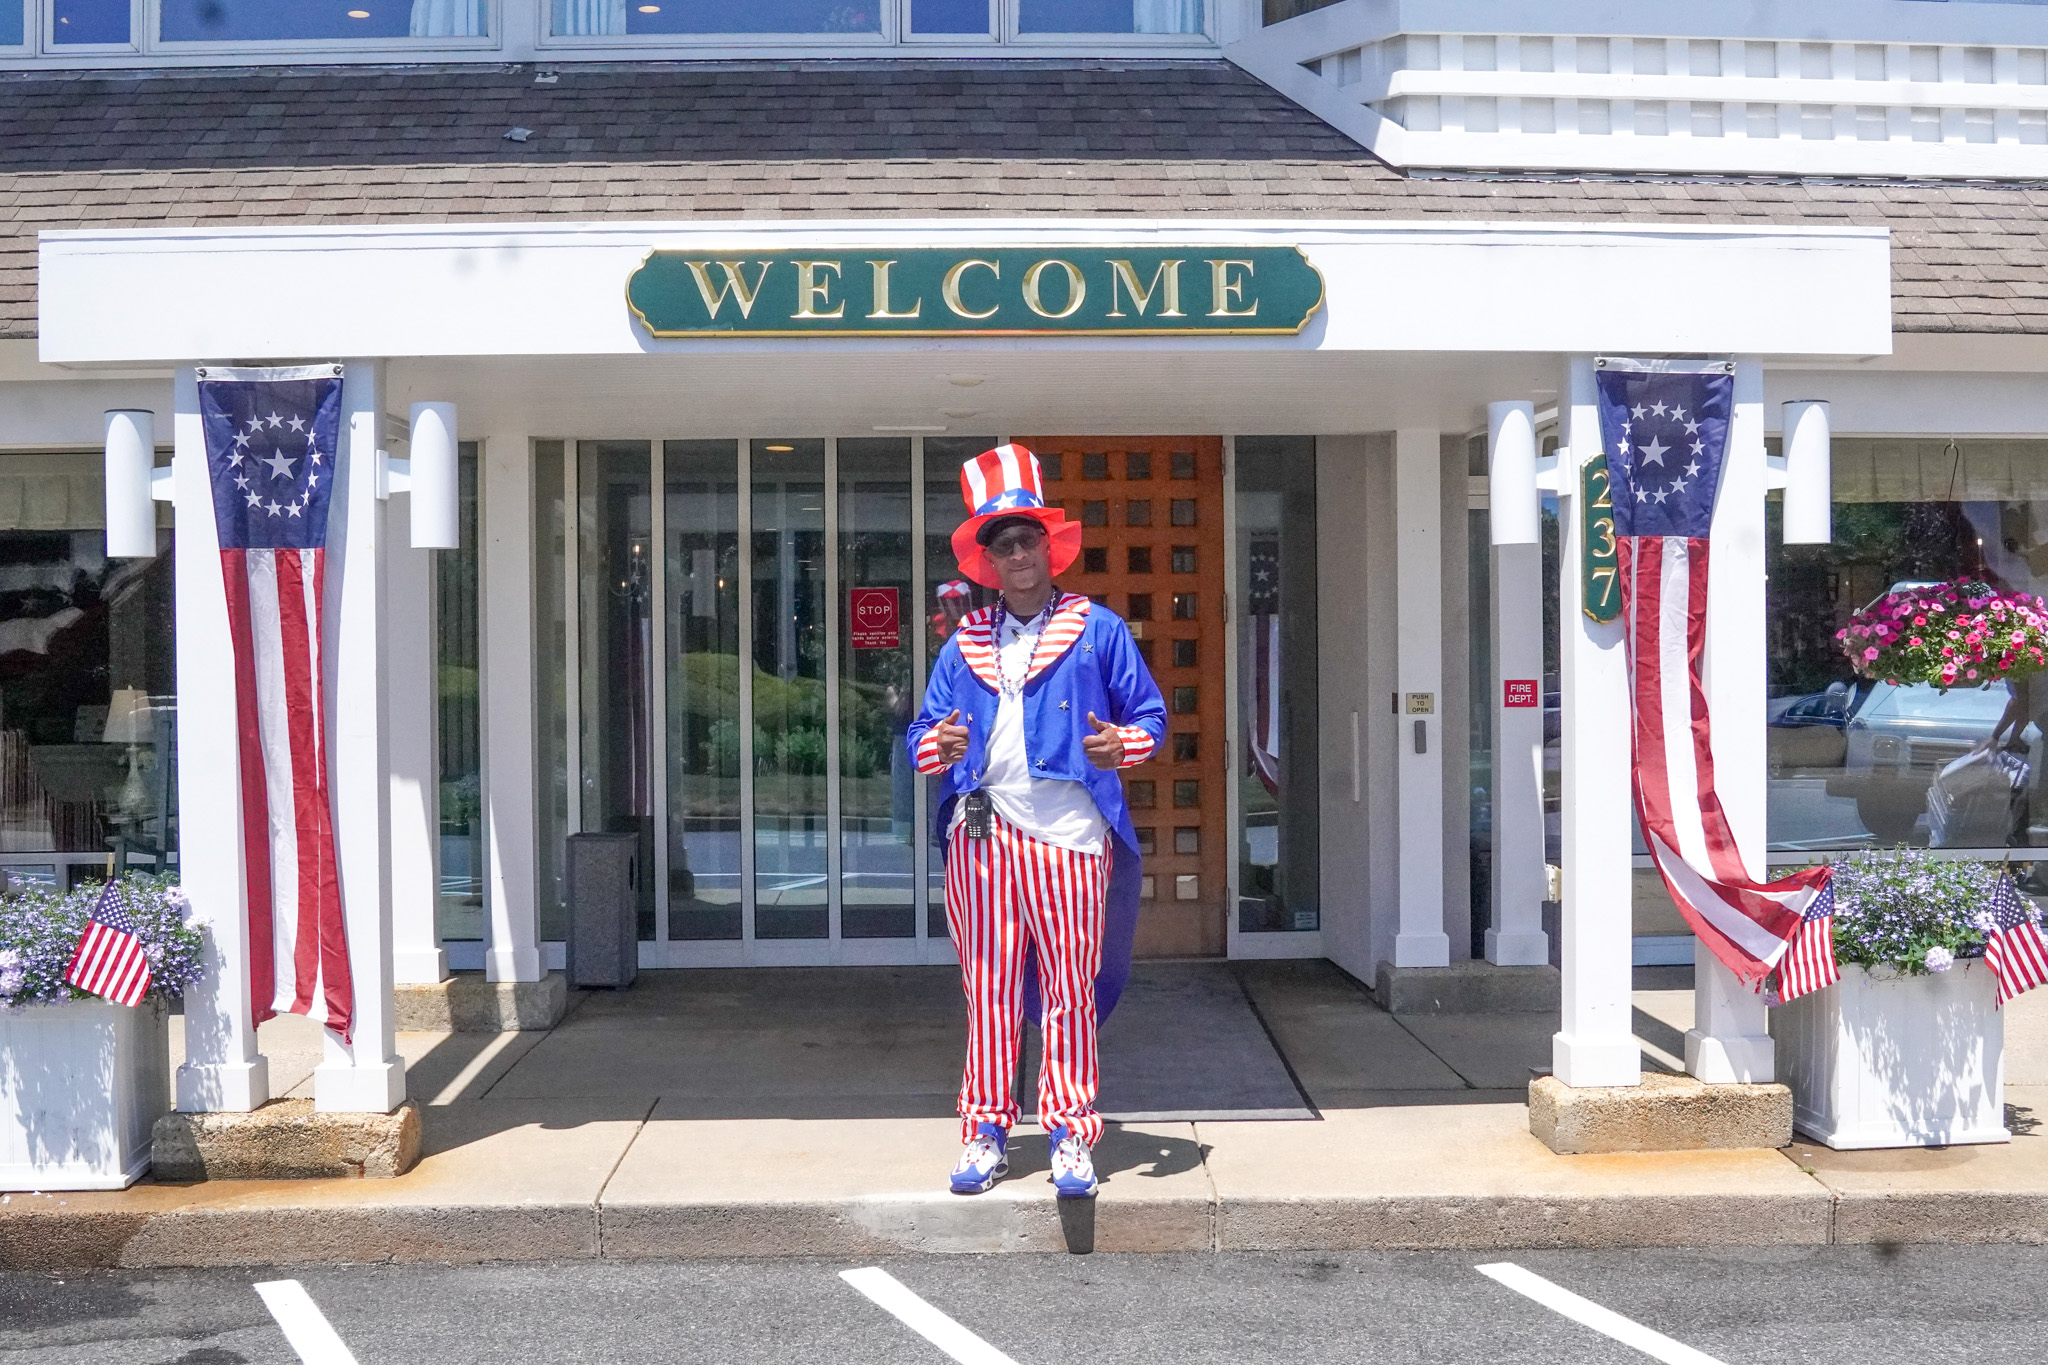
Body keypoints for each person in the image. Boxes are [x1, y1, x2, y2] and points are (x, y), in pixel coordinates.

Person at [907, 444, 1165, 1200]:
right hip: (981, 845)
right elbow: (922, 740)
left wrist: (1122, 744)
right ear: (987, 560)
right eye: (1002, 542)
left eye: (1027, 538)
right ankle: (984, 1129)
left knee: (1068, 992)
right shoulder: (963, 645)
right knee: (986, 988)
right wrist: (942, 744)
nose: (1017, 553)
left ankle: (1070, 1130)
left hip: (1072, 840)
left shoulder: (1099, 629)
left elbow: (1149, 719)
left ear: (1049, 547)